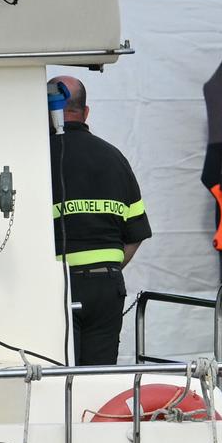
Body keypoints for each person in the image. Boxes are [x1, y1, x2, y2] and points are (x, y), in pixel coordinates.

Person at [48, 75, 149, 365]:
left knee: (59, 378)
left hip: (60, 286)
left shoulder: (39, 156)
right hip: (108, 287)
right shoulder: (114, 158)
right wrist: (108, 267)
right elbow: (136, 232)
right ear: (86, 112)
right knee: (98, 380)